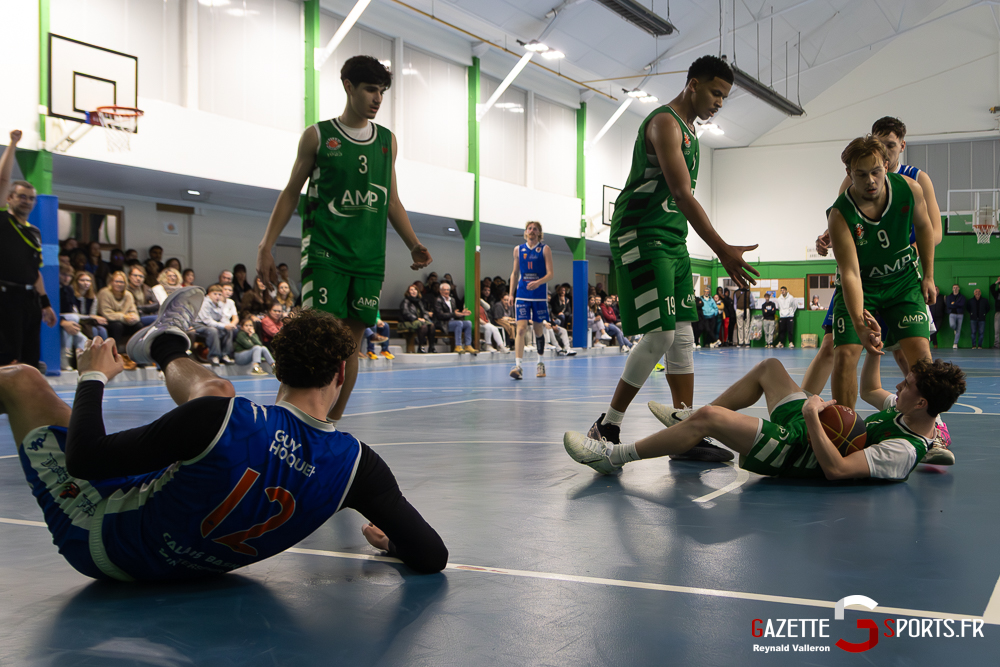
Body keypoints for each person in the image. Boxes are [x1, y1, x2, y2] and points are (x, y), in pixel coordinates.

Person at [4, 288, 447, 581]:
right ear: (341, 372)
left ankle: (165, 342)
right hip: (195, 568)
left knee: (21, 379)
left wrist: (92, 378)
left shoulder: (224, 420)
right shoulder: (357, 465)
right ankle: (164, 339)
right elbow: (432, 556)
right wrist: (395, 541)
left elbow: (85, 461)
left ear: (277, 367)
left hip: (102, 542)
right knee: (214, 397)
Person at [587, 56, 757, 462]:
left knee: (683, 334)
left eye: (725, 97)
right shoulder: (664, 122)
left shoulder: (693, 137)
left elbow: (679, 203)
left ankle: (685, 427)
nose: (719, 102)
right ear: (692, 85)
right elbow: (681, 194)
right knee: (661, 334)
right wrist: (723, 250)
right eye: (715, 92)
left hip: (672, 239)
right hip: (641, 234)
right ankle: (607, 423)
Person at [257, 56, 432, 428]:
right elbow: (291, 193)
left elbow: (392, 201)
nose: (377, 98)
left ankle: (329, 424)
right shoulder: (318, 136)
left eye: (382, 91)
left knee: (348, 346)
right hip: (325, 253)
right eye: (371, 89)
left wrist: (413, 243)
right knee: (313, 336)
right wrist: (265, 245)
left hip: (368, 259)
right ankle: (281, 421)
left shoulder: (387, 142)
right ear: (348, 86)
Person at [565, 335, 965, 481]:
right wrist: (874, 348)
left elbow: (838, 470)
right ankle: (686, 423)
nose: (900, 386)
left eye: (908, 384)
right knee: (771, 368)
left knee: (710, 418)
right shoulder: (907, 411)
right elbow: (871, 387)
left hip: (800, 455)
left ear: (924, 402)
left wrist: (811, 415)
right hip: (813, 431)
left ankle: (612, 456)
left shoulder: (900, 451)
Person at [827, 136, 936, 410]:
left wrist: (929, 275)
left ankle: (929, 430)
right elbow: (850, 273)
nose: (870, 181)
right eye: (861, 175)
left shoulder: (910, 189)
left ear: (886, 166)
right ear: (849, 173)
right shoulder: (840, 214)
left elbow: (925, 228)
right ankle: (844, 431)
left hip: (903, 282)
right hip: (863, 285)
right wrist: (861, 327)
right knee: (845, 357)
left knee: (922, 360)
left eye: (875, 172)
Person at [0, 130, 57, 368]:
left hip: (30, 300)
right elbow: (3, 180)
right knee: (8, 359)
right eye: (22, 197)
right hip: (5, 298)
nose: (27, 201)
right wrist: (13, 144)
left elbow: (35, 271)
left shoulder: (35, 232)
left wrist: (45, 304)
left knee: (29, 359)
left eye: (31, 198)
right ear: (10, 198)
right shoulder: (3, 220)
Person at [508, 221, 554, 380]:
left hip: (539, 294)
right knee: (520, 329)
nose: (532, 231)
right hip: (522, 294)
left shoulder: (545, 249)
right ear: (526, 232)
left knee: (538, 330)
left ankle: (540, 362)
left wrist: (539, 282)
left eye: (535, 229)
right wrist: (511, 294)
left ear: (539, 233)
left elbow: (550, 274)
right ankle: (518, 366)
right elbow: (514, 273)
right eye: (530, 228)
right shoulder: (518, 250)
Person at [96, 271, 141, 366]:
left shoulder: (128, 295)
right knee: (117, 326)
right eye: (117, 281)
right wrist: (123, 317)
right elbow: (106, 313)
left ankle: (137, 356)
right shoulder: (104, 293)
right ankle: (113, 356)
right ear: (111, 282)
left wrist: (133, 317)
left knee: (139, 325)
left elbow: (133, 311)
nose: (119, 284)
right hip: (107, 321)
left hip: (124, 321)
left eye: (122, 282)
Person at [194, 284, 237, 366]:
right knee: (213, 331)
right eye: (215, 294)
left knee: (229, 330)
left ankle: (225, 355)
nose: (217, 296)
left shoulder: (220, 304)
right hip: (199, 325)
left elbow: (222, 318)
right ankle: (214, 356)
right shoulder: (204, 303)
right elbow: (207, 321)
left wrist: (228, 325)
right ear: (209, 294)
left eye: (219, 294)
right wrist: (223, 326)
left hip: (213, 324)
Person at [434, 282, 474, 354]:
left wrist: (462, 313)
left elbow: (455, 312)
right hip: (442, 323)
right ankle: (458, 345)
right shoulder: (437, 300)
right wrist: (454, 314)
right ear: (440, 291)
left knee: (468, 323)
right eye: (444, 290)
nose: (446, 291)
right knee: (458, 323)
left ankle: (468, 345)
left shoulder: (452, 300)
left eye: (448, 290)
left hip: (453, 321)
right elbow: (440, 315)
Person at [399, 284, 435, 353]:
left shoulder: (419, 301)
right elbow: (405, 313)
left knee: (431, 325)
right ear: (408, 292)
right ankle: (421, 347)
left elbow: (424, 312)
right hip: (408, 321)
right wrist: (417, 318)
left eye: (415, 289)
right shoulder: (406, 301)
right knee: (423, 326)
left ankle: (432, 347)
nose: (413, 291)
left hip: (419, 321)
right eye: (411, 289)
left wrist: (425, 318)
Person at [945, 285, 965, 349]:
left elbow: (962, 304)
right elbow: (948, 305)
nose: (955, 289)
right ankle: (955, 329)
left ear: (959, 288)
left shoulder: (962, 297)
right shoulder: (949, 297)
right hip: (952, 314)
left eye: (956, 288)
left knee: (958, 329)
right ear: (952, 289)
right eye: (954, 288)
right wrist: (956, 304)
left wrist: (954, 304)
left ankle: (955, 343)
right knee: (952, 325)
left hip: (960, 314)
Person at [992, 277, 1000, 349]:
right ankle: (997, 344)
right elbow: (991, 288)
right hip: (998, 312)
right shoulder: (997, 293)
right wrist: (997, 282)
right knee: (997, 329)